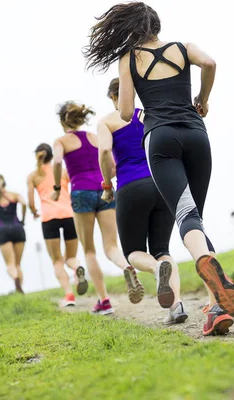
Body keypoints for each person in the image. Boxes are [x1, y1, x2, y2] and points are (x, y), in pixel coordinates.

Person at [84, 2, 234, 335]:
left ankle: (215, 292)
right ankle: (217, 307)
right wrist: (203, 98)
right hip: (196, 134)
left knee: (186, 217)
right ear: (157, 25)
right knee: (196, 220)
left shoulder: (129, 59)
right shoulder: (183, 47)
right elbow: (211, 63)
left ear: (130, 29)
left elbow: (126, 111)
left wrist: (132, 94)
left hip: (161, 139)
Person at [97, 78, 187, 325]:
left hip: (130, 187)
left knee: (133, 251)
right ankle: (176, 307)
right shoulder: (149, 114)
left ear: (113, 97)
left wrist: (106, 184)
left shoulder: (106, 121)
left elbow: (104, 152)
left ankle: (158, 272)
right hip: (162, 183)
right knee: (162, 250)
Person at [51, 101, 144, 315]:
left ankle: (104, 301)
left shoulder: (61, 141)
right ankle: (125, 266)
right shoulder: (95, 137)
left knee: (89, 250)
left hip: (81, 193)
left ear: (62, 121)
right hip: (104, 191)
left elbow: (56, 163)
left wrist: (57, 188)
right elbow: (111, 165)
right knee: (111, 247)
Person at [27, 143, 88, 307]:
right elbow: (74, 187)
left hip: (49, 218)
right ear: (51, 155)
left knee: (57, 261)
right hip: (69, 215)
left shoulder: (33, 176)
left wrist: (34, 212)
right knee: (71, 257)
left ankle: (69, 295)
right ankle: (77, 268)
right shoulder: (62, 171)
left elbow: (31, 202)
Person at [0, 175, 27, 294]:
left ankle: (15, 279)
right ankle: (20, 291)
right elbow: (24, 204)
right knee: (18, 264)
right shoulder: (14, 195)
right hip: (18, 228)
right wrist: (22, 219)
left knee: (10, 265)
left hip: (3, 230)